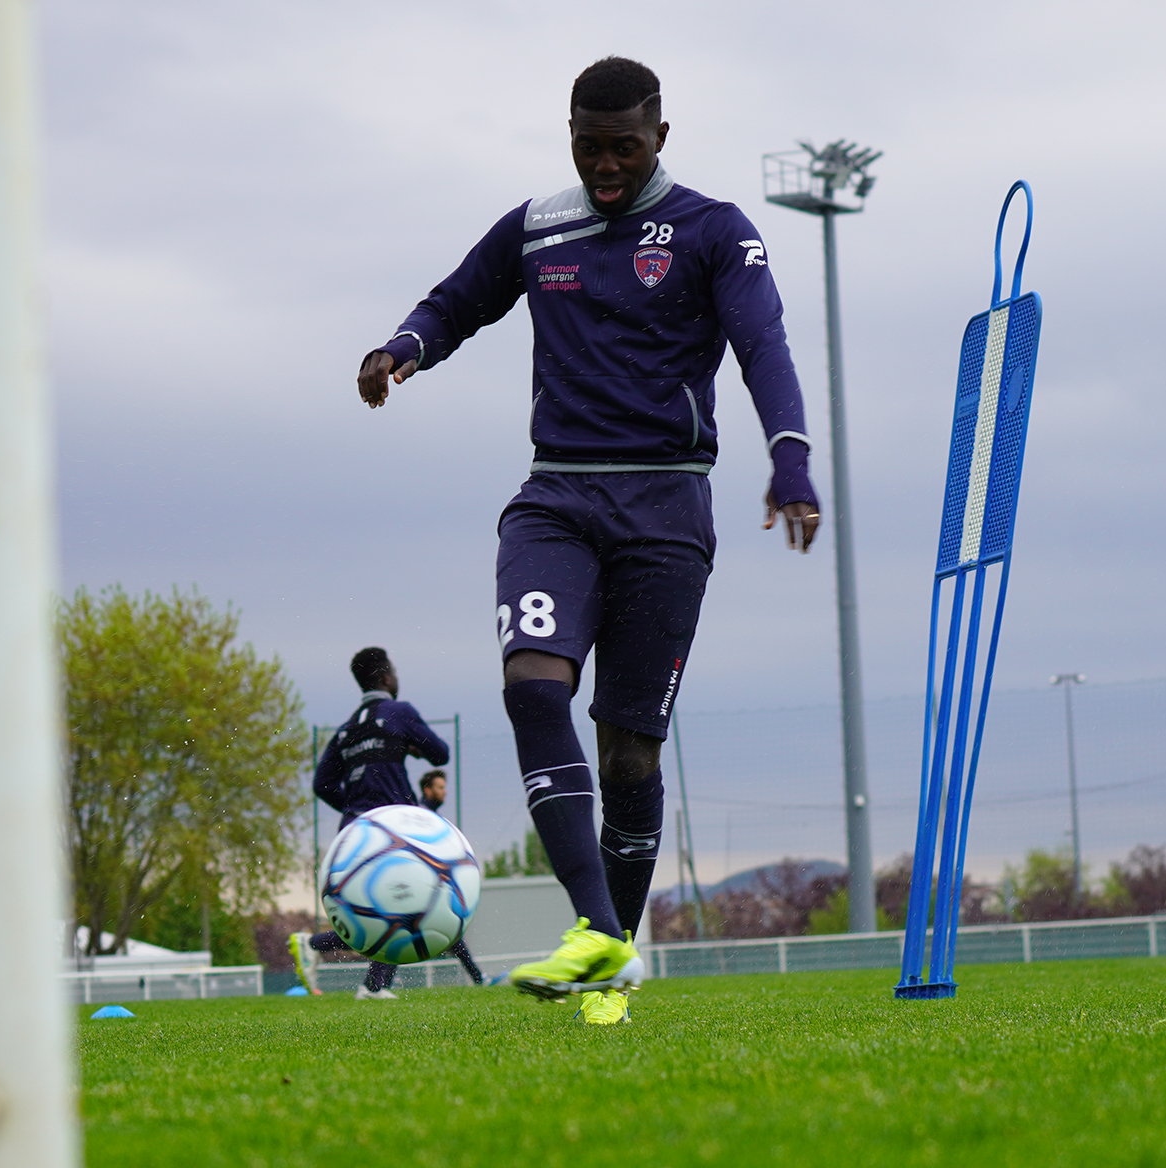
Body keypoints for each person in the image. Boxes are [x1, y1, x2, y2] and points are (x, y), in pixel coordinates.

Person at [355, 58, 819, 1024]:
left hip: (667, 510)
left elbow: (762, 344)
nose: (605, 165)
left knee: (629, 760)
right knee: (532, 684)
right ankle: (597, 931)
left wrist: (790, 457)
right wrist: (402, 346)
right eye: (588, 144)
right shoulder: (540, 225)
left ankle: (609, 955)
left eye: (625, 147)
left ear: (660, 135)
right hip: (555, 499)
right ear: (569, 132)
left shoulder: (715, 231)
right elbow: (457, 298)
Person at [291, 647, 450, 999]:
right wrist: (412, 745)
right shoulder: (400, 712)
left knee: (391, 904)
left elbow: (321, 783)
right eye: (394, 670)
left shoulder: (347, 727)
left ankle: (374, 985)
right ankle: (313, 944)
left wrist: (352, 807)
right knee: (406, 900)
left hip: (353, 831)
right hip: (393, 825)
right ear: (385, 677)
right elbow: (441, 754)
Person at [417, 769, 486, 987]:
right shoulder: (422, 815)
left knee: (452, 931)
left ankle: (478, 978)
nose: (444, 792)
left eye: (445, 787)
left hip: (430, 885)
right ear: (427, 790)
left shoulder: (431, 815)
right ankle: (315, 943)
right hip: (420, 886)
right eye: (440, 787)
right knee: (399, 927)